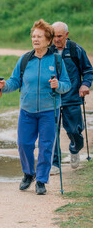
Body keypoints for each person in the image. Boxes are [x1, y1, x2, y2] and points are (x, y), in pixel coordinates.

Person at [0, 19, 71, 195]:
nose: (35, 39)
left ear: (48, 39)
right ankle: (29, 174)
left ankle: (42, 181)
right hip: (27, 111)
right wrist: (4, 85)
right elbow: (15, 81)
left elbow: (67, 84)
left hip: (48, 111)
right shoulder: (25, 59)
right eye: (33, 36)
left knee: (46, 146)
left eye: (39, 36)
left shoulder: (57, 61)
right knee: (24, 143)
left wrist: (58, 85)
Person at [50, 21, 93, 175]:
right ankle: (54, 163)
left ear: (66, 35)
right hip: (52, 99)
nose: (56, 39)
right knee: (51, 131)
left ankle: (75, 149)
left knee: (74, 131)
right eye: (54, 36)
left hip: (72, 97)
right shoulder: (48, 50)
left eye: (59, 36)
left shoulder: (76, 50)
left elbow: (88, 70)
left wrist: (85, 85)